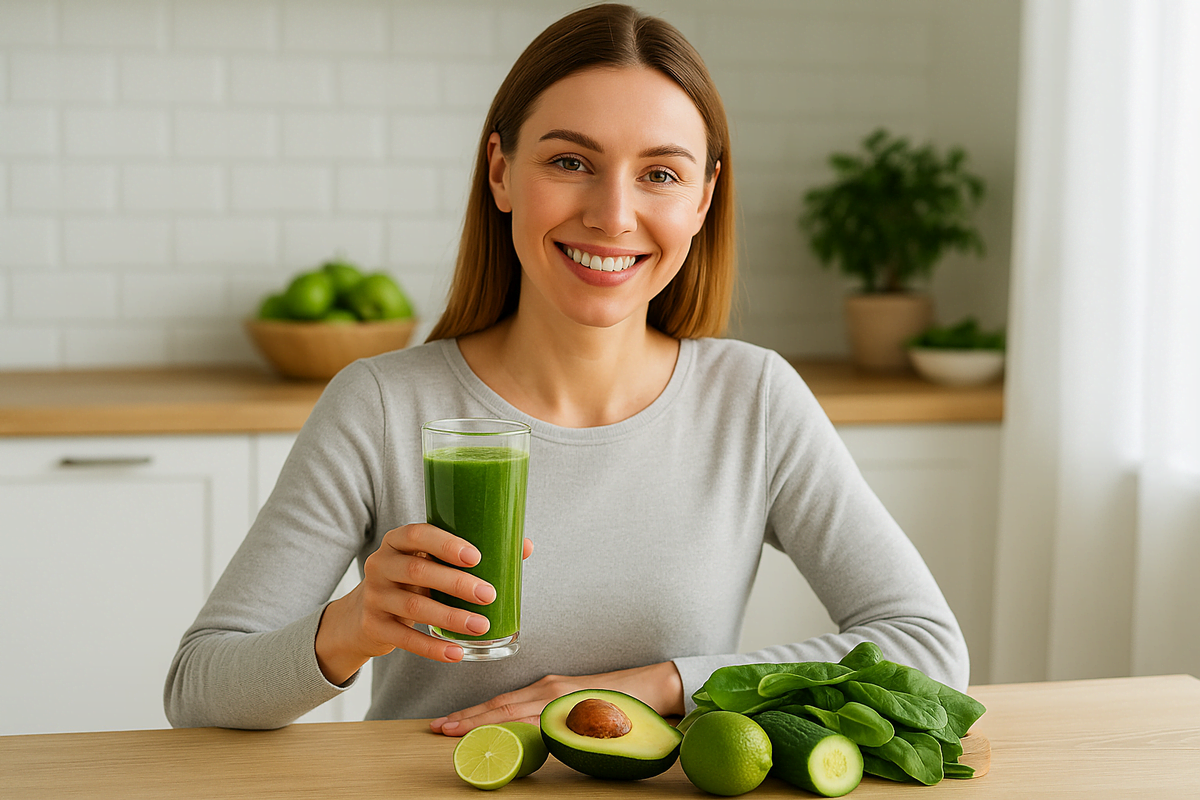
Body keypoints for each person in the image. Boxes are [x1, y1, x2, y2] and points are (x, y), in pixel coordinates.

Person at [164, 3, 969, 734]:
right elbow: (199, 689)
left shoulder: (752, 399)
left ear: (702, 198)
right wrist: (351, 627)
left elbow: (926, 649)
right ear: (501, 171)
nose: (612, 215)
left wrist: (663, 685)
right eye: (571, 162)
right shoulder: (382, 405)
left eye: (660, 173)